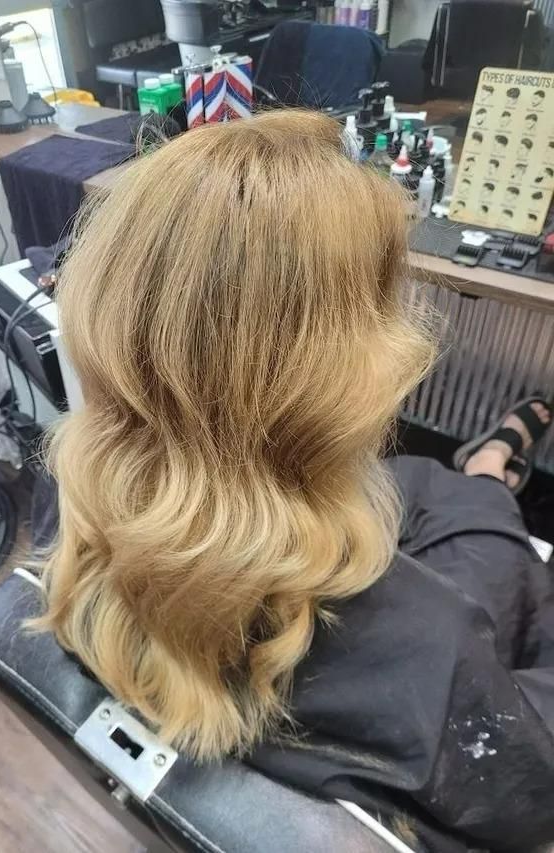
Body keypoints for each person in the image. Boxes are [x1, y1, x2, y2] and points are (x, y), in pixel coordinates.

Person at [35, 110, 554, 853]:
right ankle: (492, 471)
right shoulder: (431, 644)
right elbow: (528, 798)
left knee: (424, 486)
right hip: (434, 659)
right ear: (344, 367)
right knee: (480, 517)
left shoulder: (75, 516)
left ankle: (480, 473)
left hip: (341, 608)